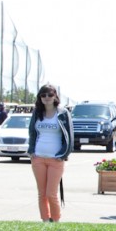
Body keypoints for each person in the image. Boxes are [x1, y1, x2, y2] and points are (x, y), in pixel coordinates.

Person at [28, 85, 74, 222]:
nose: (46, 98)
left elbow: (70, 137)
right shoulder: (37, 113)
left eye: (49, 95)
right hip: (38, 158)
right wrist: (31, 151)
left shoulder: (63, 113)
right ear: (40, 98)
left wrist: (63, 155)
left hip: (56, 159)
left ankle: (56, 220)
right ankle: (45, 221)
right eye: (43, 95)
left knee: (51, 193)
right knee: (42, 194)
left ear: (55, 96)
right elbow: (32, 132)